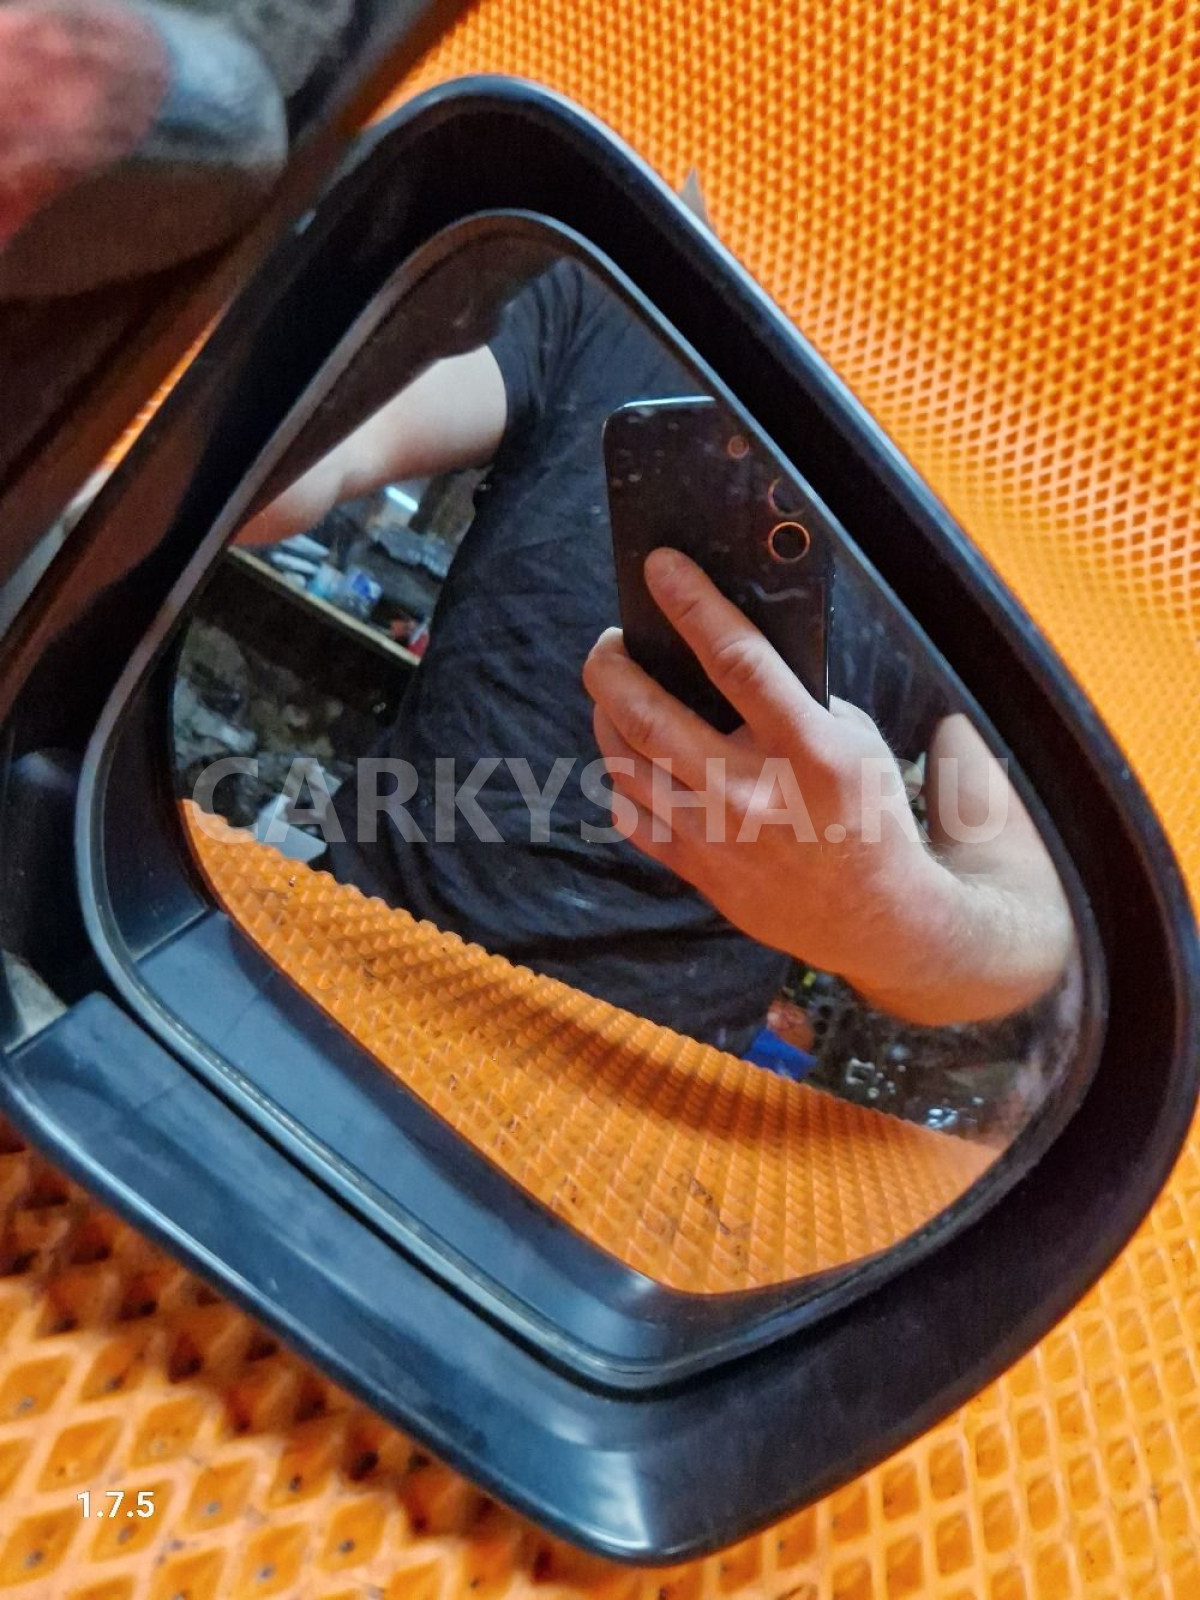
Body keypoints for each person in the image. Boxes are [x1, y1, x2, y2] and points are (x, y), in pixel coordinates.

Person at [240, 260, 1072, 1050]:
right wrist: (235, 417)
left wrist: (891, 917)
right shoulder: (612, 297)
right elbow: (350, 435)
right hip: (347, 942)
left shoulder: (980, 534)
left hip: (652, 1083)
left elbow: (1031, 911)